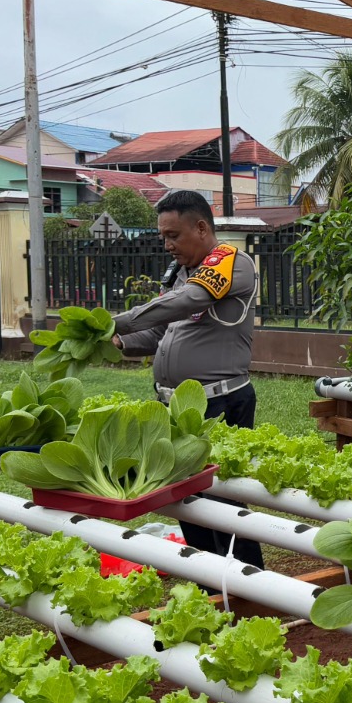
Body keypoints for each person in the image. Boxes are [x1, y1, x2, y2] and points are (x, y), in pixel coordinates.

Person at [109, 189, 263, 570]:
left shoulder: (230, 261)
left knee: (223, 497)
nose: (166, 245)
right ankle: (206, 579)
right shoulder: (180, 275)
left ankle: (250, 583)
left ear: (201, 227)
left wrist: (116, 320)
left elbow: (188, 302)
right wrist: (113, 342)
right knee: (185, 498)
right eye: (162, 236)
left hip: (219, 403)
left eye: (173, 235)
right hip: (175, 406)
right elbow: (158, 334)